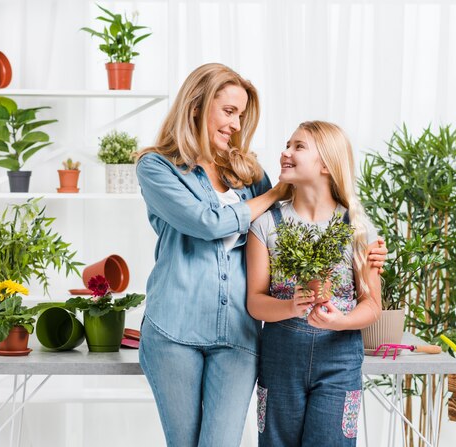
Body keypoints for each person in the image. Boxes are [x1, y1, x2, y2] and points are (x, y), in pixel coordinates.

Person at [136, 63, 387, 447]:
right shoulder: (157, 166)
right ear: (196, 107)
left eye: (241, 115)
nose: (237, 125)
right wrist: (271, 195)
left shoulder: (247, 172)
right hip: (176, 329)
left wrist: (367, 254)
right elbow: (207, 222)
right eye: (229, 111)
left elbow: (300, 223)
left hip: (237, 334)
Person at [246, 120, 383, 447]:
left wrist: (341, 321)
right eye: (287, 144)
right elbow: (255, 301)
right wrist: (291, 305)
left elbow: (372, 305)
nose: (285, 152)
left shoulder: (357, 227)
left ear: (325, 164)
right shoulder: (266, 223)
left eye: (298, 146)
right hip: (280, 362)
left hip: (340, 362)